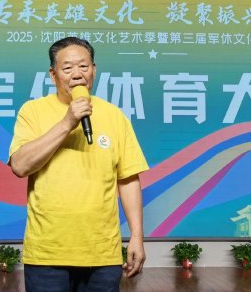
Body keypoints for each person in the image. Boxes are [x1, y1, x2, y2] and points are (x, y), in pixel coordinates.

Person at [9, 36, 149, 292]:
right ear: (53, 74)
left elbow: (128, 180)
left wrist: (137, 238)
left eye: (84, 66)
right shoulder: (33, 111)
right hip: (47, 253)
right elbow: (19, 165)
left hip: (103, 253)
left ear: (94, 70)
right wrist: (67, 122)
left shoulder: (115, 116)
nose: (77, 74)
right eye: (67, 68)